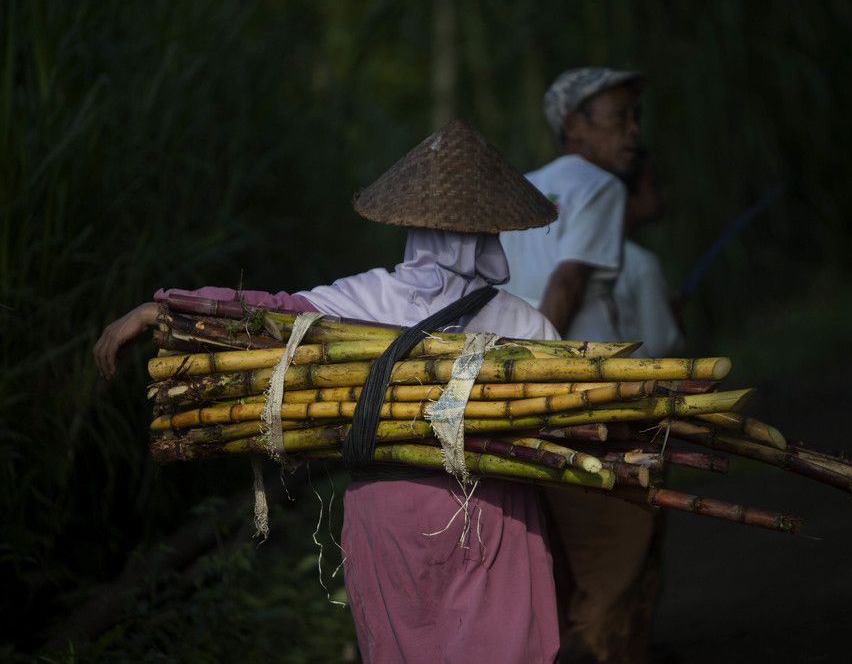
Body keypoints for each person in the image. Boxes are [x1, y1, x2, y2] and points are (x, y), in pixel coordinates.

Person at [94, 120, 564, 663]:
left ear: (414, 226)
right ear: (492, 233)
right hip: (493, 513)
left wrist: (163, 308)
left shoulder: (361, 300)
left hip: (389, 514)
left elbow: (261, 316)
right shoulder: (528, 326)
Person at [500, 67, 661, 662]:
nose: (633, 133)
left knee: (555, 552)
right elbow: (565, 283)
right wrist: (545, 374)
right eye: (620, 118)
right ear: (573, 126)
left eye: (634, 118)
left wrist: (511, 386)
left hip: (514, 394)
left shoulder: (518, 188)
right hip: (580, 393)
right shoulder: (601, 187)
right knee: (614, 545)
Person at [615, 150, 684, 359]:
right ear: (628, 197)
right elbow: (660, 345)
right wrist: (672, 321)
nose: (663, 193)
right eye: (654, 184)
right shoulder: (641, 264)